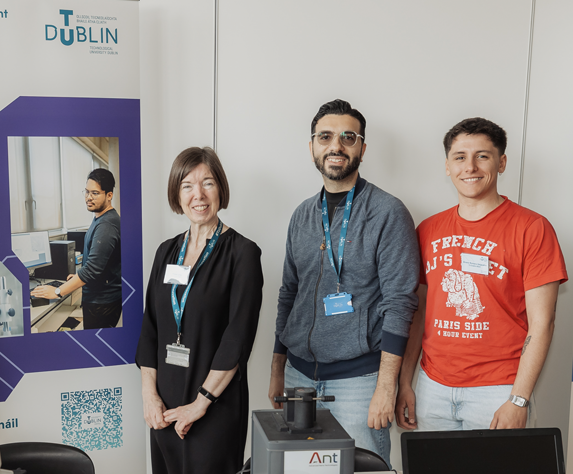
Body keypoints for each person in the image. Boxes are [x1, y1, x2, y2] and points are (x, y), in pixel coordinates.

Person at [268, 99, 419, 465]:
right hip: (298, 378)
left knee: (362, 471)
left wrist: (387, 387)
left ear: (362, 149)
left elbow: (400, 303)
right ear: (312, 147)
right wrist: (277, 370)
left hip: (359, 382)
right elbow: (289, 293)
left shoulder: (387, 212)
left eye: (348, 137)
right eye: (325, 137)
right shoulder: (302, 215)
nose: (336, 145)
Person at [395, 118, 567, 432]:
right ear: (447, 166)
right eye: (460, 157)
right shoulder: (427, 231)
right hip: (432, 388)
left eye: (482, 156)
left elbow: (543, 323)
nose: (470, 167)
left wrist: (518, 400)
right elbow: (416, 313)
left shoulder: (532, 228)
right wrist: (405, 383)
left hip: (497, 390)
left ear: (501, 162)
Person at [135, 147, 263, 473]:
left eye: (208, 183)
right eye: (187, 186)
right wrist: (150, 396)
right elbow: (151, 327)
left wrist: (200, 404)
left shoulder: (242, 254)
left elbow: (238, 336)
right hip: (164, 407)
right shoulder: (166, 252)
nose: (199, 195)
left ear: (221, 188)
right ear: (177, 195)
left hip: (214, 408)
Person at [30, 168, 122, 329]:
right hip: (99, 298)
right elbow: (99, 263)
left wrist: (57, 291)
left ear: (109, 195)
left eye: (95, 193)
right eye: (86, 192)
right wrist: (78, 276)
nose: (88, 197)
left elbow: (93, 270)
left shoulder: (107, 225)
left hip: (102, 303)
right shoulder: (101, 218)